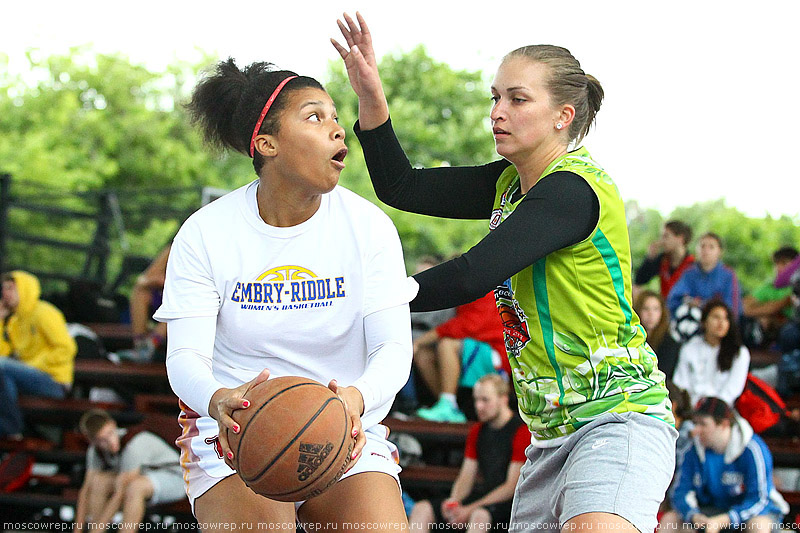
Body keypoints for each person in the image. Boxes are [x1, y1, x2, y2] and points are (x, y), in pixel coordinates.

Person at [333, 13, 676, 533]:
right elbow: (401, 187)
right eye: (495, 98)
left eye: (517, 99)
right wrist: (373, 100)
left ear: (563, 115)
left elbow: (473, 273)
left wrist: (357, 296)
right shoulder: (508, 185)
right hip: (547, 436)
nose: (497, 112)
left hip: (619, 416)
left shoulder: (573, 189)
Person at [153, 58, 413, 530]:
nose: (337, 130)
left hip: (345, 423)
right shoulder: (205, 233)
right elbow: (184, 358)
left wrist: (357, 398)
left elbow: (393, 348)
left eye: (336, 116)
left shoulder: (369, 227)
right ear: (266, 144)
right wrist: (218, 400)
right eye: (315, 116)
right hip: (235, 429)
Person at [409, 374, 527, 532]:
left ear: (503, 399)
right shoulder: (477, 431)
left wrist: (469, 509)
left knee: (479, 516)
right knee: (422, 508)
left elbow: (511, 486)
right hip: (485, 498)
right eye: (476, 400)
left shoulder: (521, 431)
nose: (478, 406)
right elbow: (466, 476)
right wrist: (453, 502)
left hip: (511, 503)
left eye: (485, 400)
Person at [661, 397, 788, 532]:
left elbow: (760, 499)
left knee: (758, 526)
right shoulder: (692, 450)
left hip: (752, 513)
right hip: (711, 511)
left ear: (723, 424)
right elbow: (680, 492)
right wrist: (693, 515)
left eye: (703, 424)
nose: (696, 430)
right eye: (695, 423)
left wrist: (726, 519)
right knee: (670, 521)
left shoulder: (752, 448)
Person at [74, 409, 185, 531]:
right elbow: (86, 490)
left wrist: (98, 529)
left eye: (110, 433)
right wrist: (77, 529)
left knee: (135, 487)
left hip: (176, 479)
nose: (111, 442)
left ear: (113, 424)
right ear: (92, 441)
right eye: (102, 440)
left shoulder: (133, 445)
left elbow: (120, 493)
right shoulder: (94, 451)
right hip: (143, 478)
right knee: (99, 481)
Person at [0, 271, 77, 439]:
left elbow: (66, 348)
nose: (6, 293)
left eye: (11, 288)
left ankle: (12, 427)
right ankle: (11, 433)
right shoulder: (14, 321)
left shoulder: (44, 312)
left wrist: (32, 365)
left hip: (54, 381)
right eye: (4, 288)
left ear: (24, 288)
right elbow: (4, 353)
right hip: (27, 378)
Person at [413, 290, 506, 423]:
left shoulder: (487, 287)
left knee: (447, 344)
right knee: (423, 354)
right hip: (476, 345)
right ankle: (447, 405)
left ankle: (448, 403)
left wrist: (419, 341)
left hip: (499, 353)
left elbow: (468, 325)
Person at [672, 300, 750, 407]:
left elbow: (733, 390)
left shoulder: (739, 353)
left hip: (721, 412)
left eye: (726, 319)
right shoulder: (689, 348)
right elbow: (680, 383)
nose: (721, 323)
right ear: (704, 322)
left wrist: (711, 408)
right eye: (716, 317)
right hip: (690, 409)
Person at [667, 232, 742, 318]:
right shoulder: (688, 274)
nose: (705, 251)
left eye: (711, 247)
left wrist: (703, 305)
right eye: (702, 246)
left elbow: (733, 309)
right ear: (696, 249)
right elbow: (672, 301)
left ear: (719, 251)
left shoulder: (728, 275)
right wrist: (687, 303)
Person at [742, 246, 797, 350]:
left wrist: (769, 310)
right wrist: (766, 313)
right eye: (776, 264)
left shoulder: (795, 286)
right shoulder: (769, 286)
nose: (779, 267)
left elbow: (778, 306)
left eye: (784, 263)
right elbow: (743, 307)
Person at [124, 244, 171, 362]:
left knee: (181, 305)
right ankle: (139, 344)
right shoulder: (172, 249)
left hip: (188, 307)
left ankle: (151, 343)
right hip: (164, 299)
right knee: (141, 293)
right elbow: (143, 280)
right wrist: (161, 281)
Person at [633, 220, 694, 299]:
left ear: (680, 238)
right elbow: (639, 280)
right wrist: (650, 258)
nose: (662, 241)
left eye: (666, 236)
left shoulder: (692, 264)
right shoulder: (663, 260)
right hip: (663, 306)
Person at [633, 290, 682, 381]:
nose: (650, 314)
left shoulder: (670, 344)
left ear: (662, 312)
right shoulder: (631, 339)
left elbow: (665, 374)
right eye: (645, 309)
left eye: (655, 309)